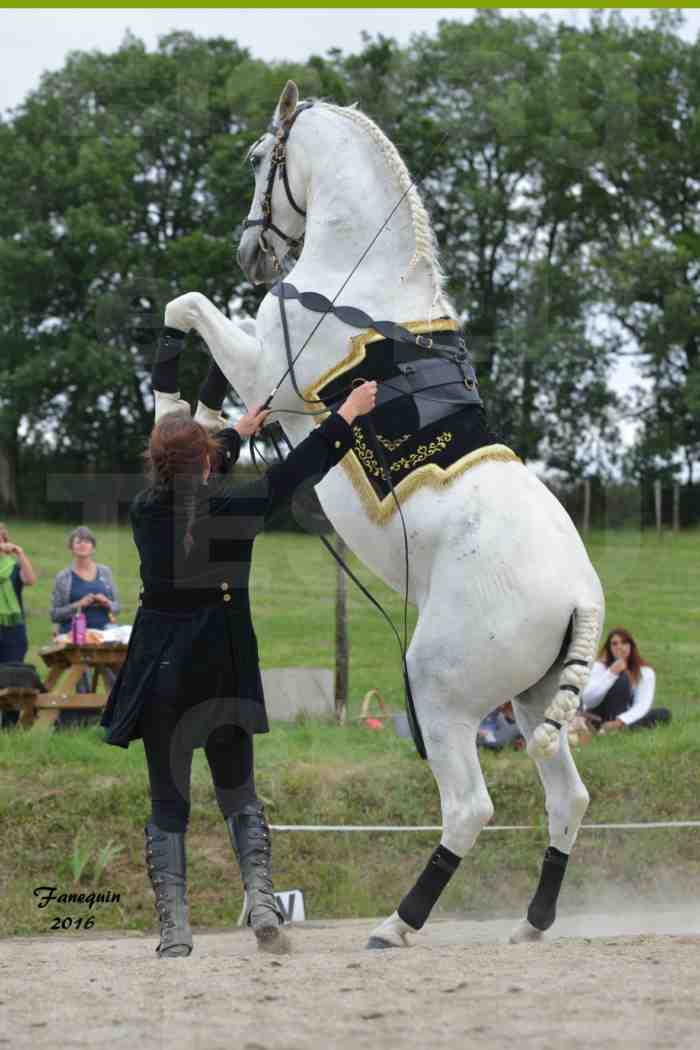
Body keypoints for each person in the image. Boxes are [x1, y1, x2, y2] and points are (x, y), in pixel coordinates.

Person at [101, 327, 377, 959]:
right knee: (238, 793)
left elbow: (191, 472)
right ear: (205, 463)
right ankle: (260, 906)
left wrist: (236, 434)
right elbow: (297, 471)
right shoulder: (235, 506)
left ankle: (175, 931)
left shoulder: (146, 509)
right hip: (221, 664)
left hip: (162, 670)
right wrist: (345, 416)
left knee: (168, 801)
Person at [581, 627, 671, 732]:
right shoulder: (599, 667)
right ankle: (607, 727)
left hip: (623, 715)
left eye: (624, 643)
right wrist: (611, 673)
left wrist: (621, 721)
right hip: (597, 713)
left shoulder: (645, 672)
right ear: (609, 648)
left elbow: (642, 704)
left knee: (663, 713)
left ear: (631, 646)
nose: (619, 647)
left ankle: (618, 727)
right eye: (614, 644)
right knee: (622, 679)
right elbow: (588, 699)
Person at [50, 527, 121, 637]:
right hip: (73, 636)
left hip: (104, 634)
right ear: (71, 548)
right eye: (78, 542)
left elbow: (117, 607)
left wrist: (106, 602)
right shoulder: (63, 577)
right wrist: (79, 605)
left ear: (93, 547)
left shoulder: (105, 572)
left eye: (87, 541)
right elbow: (54, 615)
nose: (83, 545)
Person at [0, 522, 38, 665]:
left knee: (10, 675)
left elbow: (30, 580)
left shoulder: (14, 567)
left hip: (13, 631)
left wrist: (19, 553)